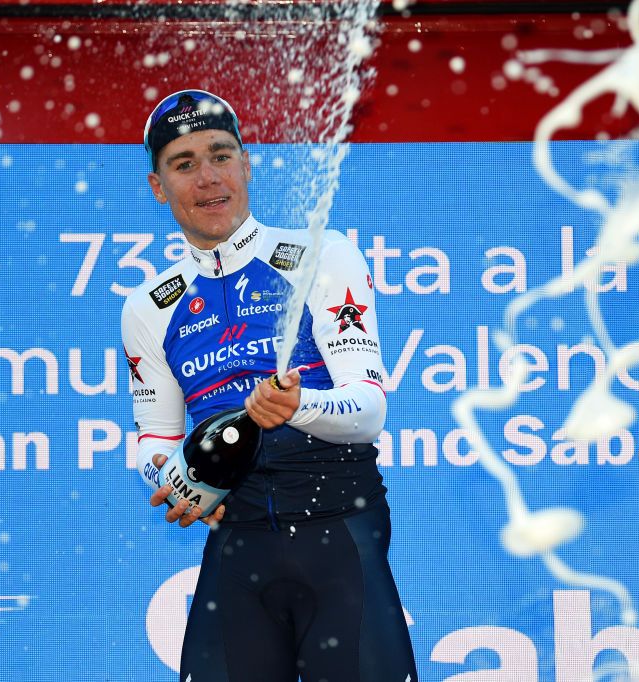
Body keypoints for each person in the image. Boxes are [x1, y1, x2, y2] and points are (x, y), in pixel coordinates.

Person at [121, 89, 419, 682]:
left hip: (340, 534)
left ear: (246, 162)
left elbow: (368, 410)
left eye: (221, 155)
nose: (209, 178)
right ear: (158, 186)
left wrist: (298, 405)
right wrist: (174, 479)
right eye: (184, 164)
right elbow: (153, 439)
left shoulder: (321, 254)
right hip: (238, 546)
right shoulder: (148, 307)